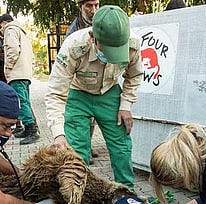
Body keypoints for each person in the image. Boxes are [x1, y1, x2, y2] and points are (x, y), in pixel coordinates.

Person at [46, 5, 143, 188]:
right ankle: (80, 195)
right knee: (77, 151)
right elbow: (56, 93)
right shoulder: (73, 46)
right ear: (93, 37)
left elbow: (135, 75)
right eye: (106, 49)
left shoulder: (132, 43)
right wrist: (58, 133)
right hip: (78, 94)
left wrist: (126, 105)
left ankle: (127, 194)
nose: (110, 55)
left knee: (121, 146)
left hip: (110, 93)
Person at [66, 0, 100, 161]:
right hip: (79, 79)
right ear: (80, 6)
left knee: (93, 117)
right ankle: (81, 149)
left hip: (98, 79)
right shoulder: (73, 31)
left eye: (97, 5)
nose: (94, 10)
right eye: (89, 6)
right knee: (81, 117)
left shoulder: (102, 22)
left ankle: (88, 144)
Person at [0, 13, 39, 145]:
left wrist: (8, 67)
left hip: (17, 73)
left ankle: (31, 130)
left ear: (5, 22)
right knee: (25, 101)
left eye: (0, 26)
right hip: (24, 72)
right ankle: (28, 129)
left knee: (21, 102)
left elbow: (13, 49)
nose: (0, 30)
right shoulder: (22, 32)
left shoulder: (10, 30)